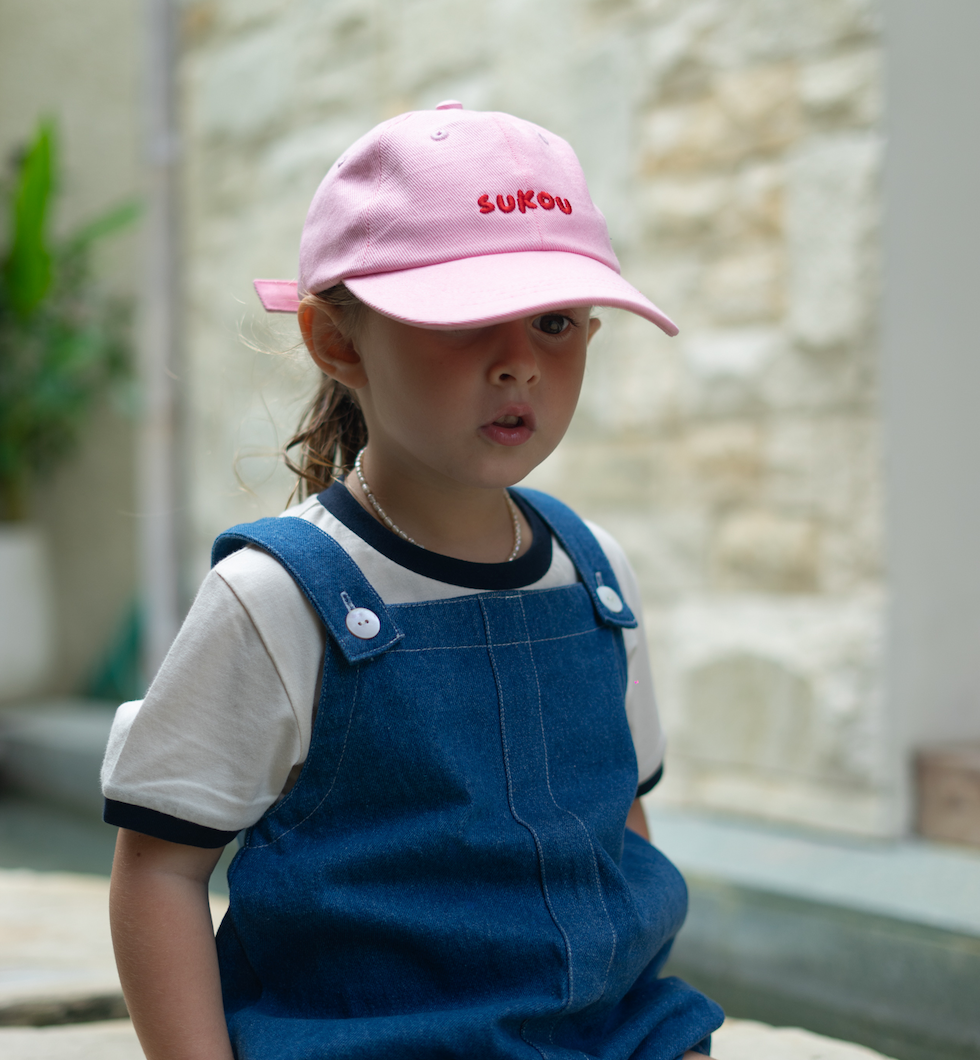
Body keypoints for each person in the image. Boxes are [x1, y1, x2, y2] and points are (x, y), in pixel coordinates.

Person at [102, 102, 724, 1060]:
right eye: (469, 320)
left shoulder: (595, 573)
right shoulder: (277, 599)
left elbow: (619, 821)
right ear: (339, 342)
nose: (519, 362)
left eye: (554, 322)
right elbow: (161, 870)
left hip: (608, 1035)